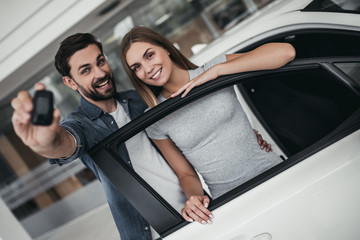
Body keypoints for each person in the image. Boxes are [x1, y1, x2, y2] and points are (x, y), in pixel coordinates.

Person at [11, 33, 271, 239]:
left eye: (100, 61)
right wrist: (46, 142)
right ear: (70, 82)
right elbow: (66, 143)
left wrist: (240, 134)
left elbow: (188, 139)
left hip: (196, 213)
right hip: (151, 233)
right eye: (86, 70)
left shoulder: (141, 101)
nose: (100, 73)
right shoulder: (80, 124)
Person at [119, 26, 296, 225]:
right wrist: (194, 199)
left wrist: (216, 72)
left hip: (277, 175)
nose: (147, 69)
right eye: (137, 67)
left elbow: (286, 53)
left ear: (166, 48)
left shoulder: (213, 70)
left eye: (149, 55)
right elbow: (185, 174)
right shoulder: (155, 118)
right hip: (231, 203)